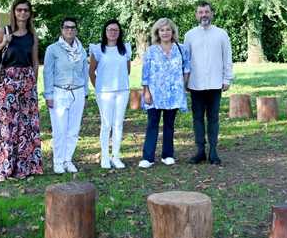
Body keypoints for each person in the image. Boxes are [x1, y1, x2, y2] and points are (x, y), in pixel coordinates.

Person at [0, 0, 44, 181]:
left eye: (26, 10)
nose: (23, 13)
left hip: (27, 81)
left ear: (30, 13)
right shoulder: (4, 31)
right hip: (7, 82)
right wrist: (4, 42)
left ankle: (25, 167)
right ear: (13, 12)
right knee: (7, 125)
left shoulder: (32, 35)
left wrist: (33, 83)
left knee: (26, 126)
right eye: (19, 10)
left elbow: (35, 61)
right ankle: (5, 167)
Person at [183, 1, 233, 165]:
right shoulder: (189, 35)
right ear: (196, 15)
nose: (203, 15)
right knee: (197, 118)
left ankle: (213, 151)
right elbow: (186, 60)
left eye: (206, 12)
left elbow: (227, 57)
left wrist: (227, 79)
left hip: (215, 83)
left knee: (213, 118)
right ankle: (200, 151)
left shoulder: (221, 34)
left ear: (212, 14)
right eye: (200, 12)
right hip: (195, 84)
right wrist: (185, 81)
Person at [139, 18, 190, 169]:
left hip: (173, 94)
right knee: (152, 124)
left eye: (168, 29)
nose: (165, 32)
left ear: (173, 32)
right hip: (155, 94)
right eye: (162, 30)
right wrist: (146, 92)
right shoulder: (151, 50)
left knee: (169, 125)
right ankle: (148, 158)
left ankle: (168, 155)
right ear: (157, 33)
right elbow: (145, 73)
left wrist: (183, 85)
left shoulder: (181, 49)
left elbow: (186, 68)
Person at [43, 17, 88, 174]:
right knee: (59, 129)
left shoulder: (81, 49)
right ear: (62, 30)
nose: (70, 30)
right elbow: (47, 72)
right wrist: (48, 95)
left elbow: (85, 71)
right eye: (67, 27)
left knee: (73, 130)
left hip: (78, 91)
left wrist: (86, 92)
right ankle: (58, 161)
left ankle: (68, 159)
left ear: (76, 30)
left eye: (73, 27)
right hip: (59, 92)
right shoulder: (53, 49)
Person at [89, 19, 131, 169]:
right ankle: (105, 157)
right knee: (106, 124)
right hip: (104, 92)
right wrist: (99, 88)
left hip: (122, 91)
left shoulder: (125, 49)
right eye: (110, 30)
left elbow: (128, 70)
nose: (113, 32)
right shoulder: (97, 49)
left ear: (119, 32)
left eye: (116, 30)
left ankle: (116, 156)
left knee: (118, 124)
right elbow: (91, 72)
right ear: (105, 32)